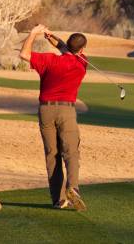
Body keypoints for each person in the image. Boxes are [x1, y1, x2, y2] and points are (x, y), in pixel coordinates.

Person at [19, 24, 88, 211]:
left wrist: (34, 34)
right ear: (82, 49)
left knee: (52, 155)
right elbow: (68, 49)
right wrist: (54, 40)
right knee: (71, 152)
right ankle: (73, 188)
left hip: (46, 111)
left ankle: (58, 200)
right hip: (67, 111)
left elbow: (24, 54)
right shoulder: (82, 63)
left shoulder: (48, 60)